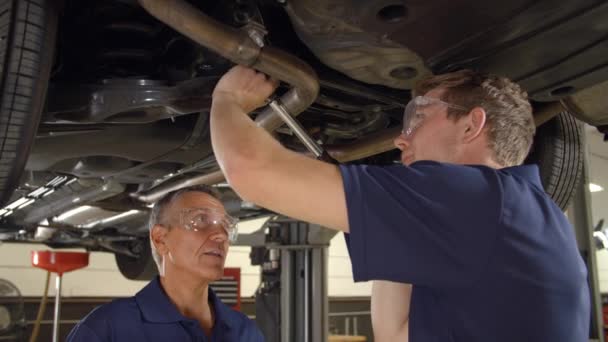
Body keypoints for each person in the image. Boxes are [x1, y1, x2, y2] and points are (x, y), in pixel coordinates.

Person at [210, 66, 590, 341]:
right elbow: (396, 332)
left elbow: (249, 170)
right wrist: (372, 210)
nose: (400, 139)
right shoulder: (523, 213)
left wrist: (227, 98)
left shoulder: (481, 200)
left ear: (471, 125)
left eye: (418, 118)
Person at [67, 185, 265, 342]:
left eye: (225, 226)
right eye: (201, 220)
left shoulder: (244, 331)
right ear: (160, 239)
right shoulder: (108, 329)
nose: (221, 235)